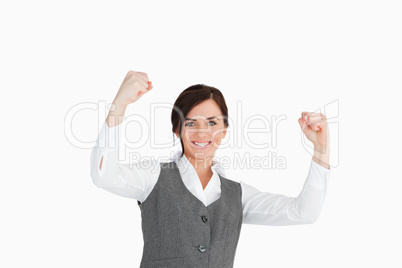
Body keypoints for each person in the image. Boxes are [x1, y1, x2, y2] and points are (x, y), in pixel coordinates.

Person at [90, 70, 331, 268]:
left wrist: (321, 149)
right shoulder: (153, 176)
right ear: (177, 130)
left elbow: (304, 212)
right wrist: (119, 104)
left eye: (212, 123)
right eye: (191, 123)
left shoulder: (238, 195)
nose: (202, 132)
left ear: (224, 130)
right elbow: (104, 175)